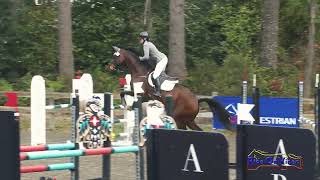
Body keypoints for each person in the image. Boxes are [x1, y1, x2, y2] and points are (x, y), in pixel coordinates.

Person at [138, 31, 168, 96]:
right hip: (163, 58)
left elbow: (146, 57)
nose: (139, 39)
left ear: (144, 39)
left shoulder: (145, 45)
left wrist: (140, 58)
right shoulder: (148, 43)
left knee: (154, 76)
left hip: (161, 60)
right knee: (159, 75)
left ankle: (158, 91)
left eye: (140, 38)